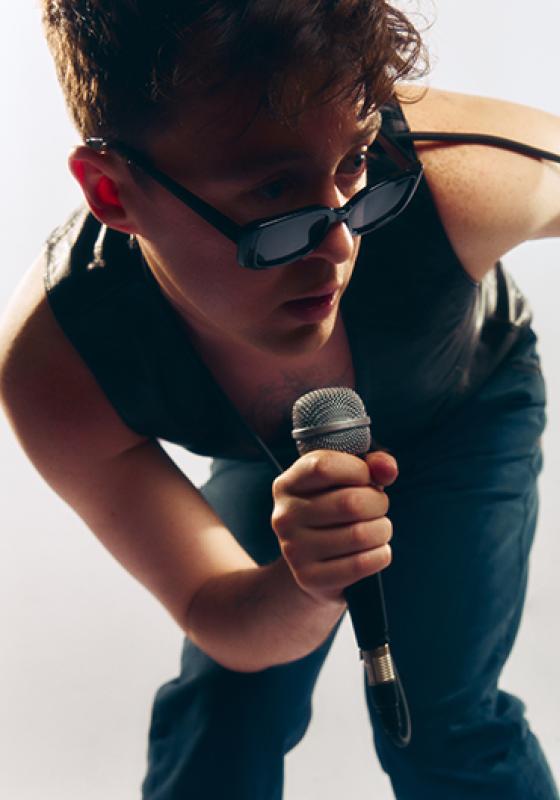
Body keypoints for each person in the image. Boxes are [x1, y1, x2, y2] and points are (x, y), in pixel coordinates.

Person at [1, 1, 559, 798]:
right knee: (223, 714)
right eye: (271, 193)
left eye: (357, 163)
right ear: (112, 192)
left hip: (465, 404)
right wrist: (306, 582)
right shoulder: (64, 365)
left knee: (447, 719)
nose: (339, 245)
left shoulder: (457, 177)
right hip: (279, 451)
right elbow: (218, 607)